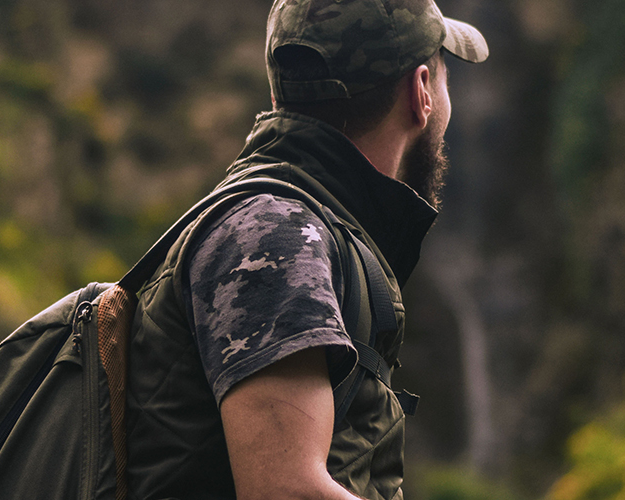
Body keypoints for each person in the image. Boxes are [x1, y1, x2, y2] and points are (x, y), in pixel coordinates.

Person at [121, 1, 488, 499]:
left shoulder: (297, 225)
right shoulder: (277, 233)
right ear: (421, 91)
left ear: (277, 95)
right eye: (445, 78)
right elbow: (286, 491)